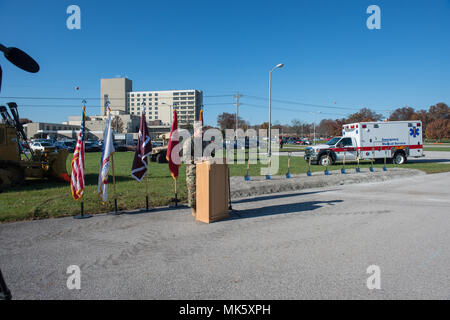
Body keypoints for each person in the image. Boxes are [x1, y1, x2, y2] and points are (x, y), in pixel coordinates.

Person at [183, 121, 203, 217]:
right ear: (195, 130)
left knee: (203, 190)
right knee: (193, 191)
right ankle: (193, 209)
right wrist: (199, 159)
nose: (202, 132)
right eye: (201, 130)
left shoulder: (203, 142)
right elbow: (186, 158)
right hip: (192, 171)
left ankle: (203, 207)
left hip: (203, 171)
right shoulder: (189, 142)